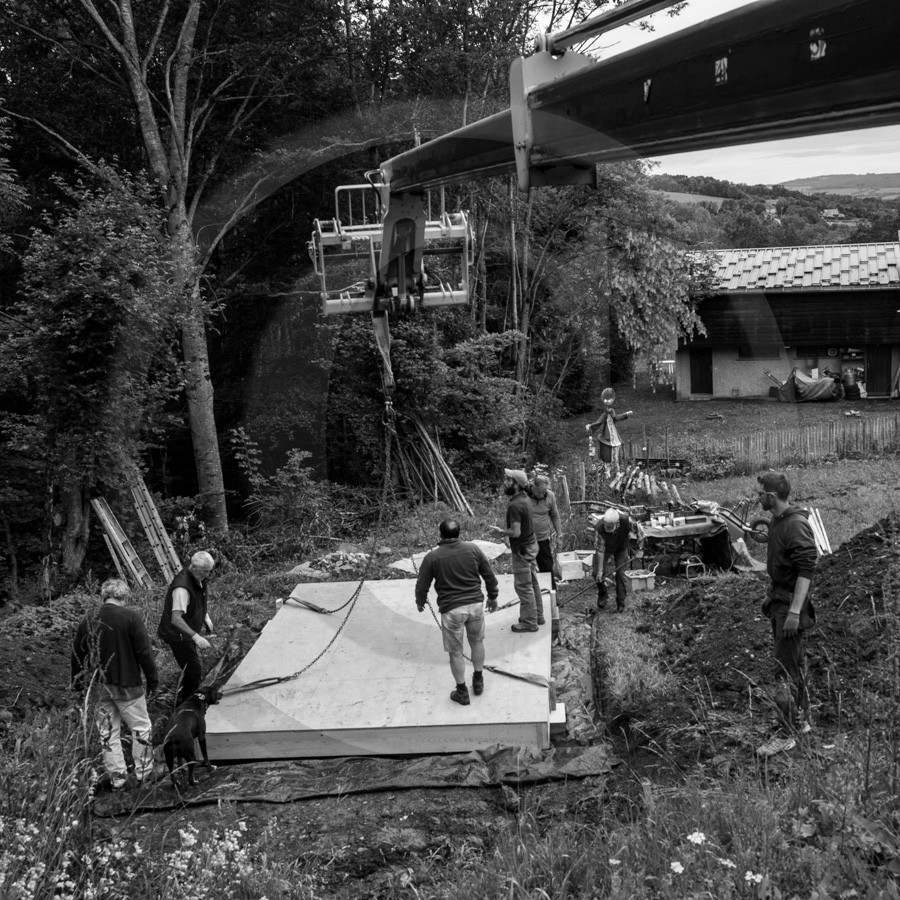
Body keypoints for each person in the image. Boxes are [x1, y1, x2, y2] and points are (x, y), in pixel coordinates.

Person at [71, 577, 159, 789]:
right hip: (128, 684)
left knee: (108, 734)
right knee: (141, 728)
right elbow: (144, 653)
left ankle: (118, 779)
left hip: (99, 686)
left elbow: (77, 654)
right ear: (124, 596)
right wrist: (153, 679)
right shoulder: (131, 617)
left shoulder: (88, 619)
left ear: (104, 596)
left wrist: (78, 686)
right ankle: (144, 774)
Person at [755, 471, 817, 757]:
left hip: (791, 605)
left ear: (771, 495)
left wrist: (793, 612)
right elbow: (783, 557)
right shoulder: (780, 521)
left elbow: (806, 569)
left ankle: (785, 733)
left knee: (784, 670)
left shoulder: (795, 524)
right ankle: (801, 721)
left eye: (760, 493)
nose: (757, 498)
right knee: (794, 664)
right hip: (780, 600)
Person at [415, 519, 500, 705]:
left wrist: (420, 601)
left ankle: (462, 691)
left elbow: (422, 585)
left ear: (441, 535)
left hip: (452, 611)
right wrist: (493, 596)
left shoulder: (432, 557)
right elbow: (489, 574)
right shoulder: (473, 549)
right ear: (459, 533)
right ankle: (478, 681)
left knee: (455, 652)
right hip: (476, 606)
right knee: (477, 642)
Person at [489, 468, 544, 632]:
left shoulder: (515, 505)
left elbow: (516, 532)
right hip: (531, 545)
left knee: (523, 586)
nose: (505, 483)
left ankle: (529, 622)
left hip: (522, 549)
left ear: (517, 485)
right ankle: (538, 616)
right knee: (532, 583)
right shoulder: (525, 499)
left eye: (508, 480)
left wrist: (500, 533)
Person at [158, 550, 216, 704]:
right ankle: (185, 704)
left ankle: (184, 695)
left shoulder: (198, 577)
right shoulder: (181, 588)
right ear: (194, 567)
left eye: (209, 572)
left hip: (186, 632)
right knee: (193, 672)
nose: (207, 575)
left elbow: (198, 598)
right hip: (177, 635)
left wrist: (205, 616)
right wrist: (196, 637)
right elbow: (176, 619)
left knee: (191, 667)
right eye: (205, 572)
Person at [590, 508, 632, 612]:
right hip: (605, 549)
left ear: (617, 523)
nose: (607, 528)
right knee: (596, 573)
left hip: (621, 548)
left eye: (610, 527)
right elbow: (600, 551)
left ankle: (621, 603)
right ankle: (603, 593)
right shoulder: (599, 528)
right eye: (606, 526)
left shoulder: (626, 521)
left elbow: (640, 531)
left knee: (620, 574)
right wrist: (600, 571)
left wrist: (640, 549)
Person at [585, 387, 633, 472]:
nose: (611, 413)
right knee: (607, 453)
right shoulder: (605, 416)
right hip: (607, 436)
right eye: (610, 412)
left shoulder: (613, 418)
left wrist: (627, 414)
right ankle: (608, 468)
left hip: (614, 436)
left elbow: (618, 417)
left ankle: (616, 467)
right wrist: (590, 426)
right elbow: (599, 422)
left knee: (616, 451)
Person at [530, 474, 562, 587]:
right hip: (526, 540)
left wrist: (559, 535)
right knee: (528, 570)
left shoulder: (550, 496)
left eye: (544, 492)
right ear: (533, 486)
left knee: (547, 569)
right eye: (539, 492)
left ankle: (552, 598)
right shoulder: (524, 496)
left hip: (542, 539)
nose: (541, 495)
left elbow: (555, 516)